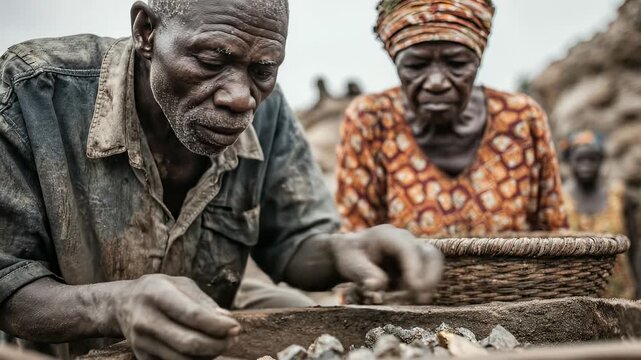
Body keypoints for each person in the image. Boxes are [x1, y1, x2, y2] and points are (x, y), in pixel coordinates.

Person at [0, 1, 443, 359]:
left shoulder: (267, 113)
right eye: (212, 60)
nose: (239, 97)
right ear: (146, 32)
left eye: (262, 71)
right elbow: (9, 281)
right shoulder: (33, 92)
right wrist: (115, 305)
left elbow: (291, 246)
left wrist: (346, 249)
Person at [336, 0, 567, 236]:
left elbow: (557, 235)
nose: (437, 83)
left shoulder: (521, 119)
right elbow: (357, 241)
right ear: (396, 64)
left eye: (456, 64)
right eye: (416, 66)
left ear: (478, 63)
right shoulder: (371, 120)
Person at [561, 130, 637, 299]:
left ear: (601, 160)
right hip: (576, 292)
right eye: (580, 159)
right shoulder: (561, 200)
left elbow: (633, 249)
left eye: (592, 159)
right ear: (569, 161)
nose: (586, 165)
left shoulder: (619, 197)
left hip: (620, 291)